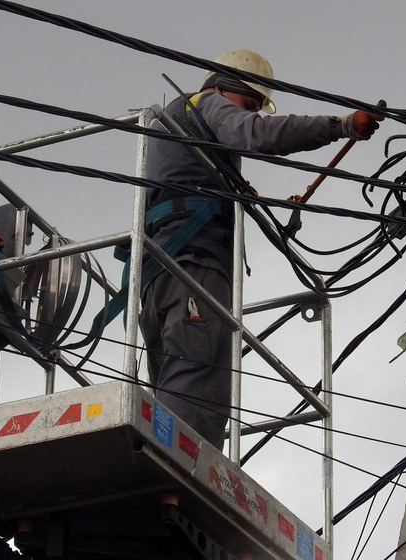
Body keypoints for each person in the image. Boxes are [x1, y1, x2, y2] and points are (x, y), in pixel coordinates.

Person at [140, 48, 381, 449]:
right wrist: (340, 124)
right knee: (194, 380)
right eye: (249, 104)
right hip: (191, 263)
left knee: (197, 383)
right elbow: (256, 134)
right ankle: (168, 471)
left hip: (162, 271)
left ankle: (182, 478)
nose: (253, 114)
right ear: (223, 87)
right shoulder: (207, 103)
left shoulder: (184, 137)